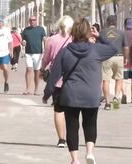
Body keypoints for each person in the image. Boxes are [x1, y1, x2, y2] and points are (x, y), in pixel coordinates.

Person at [43, 18, 117, 164]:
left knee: (72, 127)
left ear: (73, 33)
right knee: (90, 124)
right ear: (88, 32)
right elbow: (114, 49)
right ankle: (89, 152)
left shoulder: (65, 52)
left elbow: (55, 74)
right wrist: (99, 36)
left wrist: (47, 92)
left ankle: (75, 160)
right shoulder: (97, 50)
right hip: (91, 95)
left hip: (70, 95)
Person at [41, 15, 74, 148]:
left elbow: (46, 58)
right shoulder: (74, 40)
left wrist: (42, 69)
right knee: (72, 111)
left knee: (58, 109)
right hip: (73, 79)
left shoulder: (52, 40)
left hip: (57, 79)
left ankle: (62, 139)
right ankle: (72, 138)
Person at [100, 15, 128, 110]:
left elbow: (98, 46)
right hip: (119, 57)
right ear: (115, 23)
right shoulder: (122, 33)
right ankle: (116, 97)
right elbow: (126, 47)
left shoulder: (102, 32)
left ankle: (107, 103)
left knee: (105, 80)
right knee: (119, 78)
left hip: (106, 58)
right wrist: (126, 58)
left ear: (107, 23)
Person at [21, 16, 47, 95]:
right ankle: (27, 89)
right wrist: (23, 43)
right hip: (28, 53)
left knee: (37, 71)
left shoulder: (41, 29)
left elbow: (44, 39)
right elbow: (23, 40)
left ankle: (36, 90)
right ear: (29, 21)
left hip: (38, 53)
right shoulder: (26, 30)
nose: (32, 21)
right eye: (31, 20)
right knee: (28, 70)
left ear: (36, 21)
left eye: (34, 20)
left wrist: (46, 50)